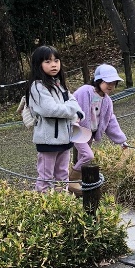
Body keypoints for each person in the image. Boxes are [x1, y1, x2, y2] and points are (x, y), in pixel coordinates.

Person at [26, 45, 84, 193]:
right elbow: (51, 110)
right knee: (45, 177)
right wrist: (72, 110)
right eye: (48, 61)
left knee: (63, 175)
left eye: (56, 60)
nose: (54, 65)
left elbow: (74, 103)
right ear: (38, 64)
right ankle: (42, 202)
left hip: (65, 138)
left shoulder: (58, 84)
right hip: (48, 141)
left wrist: (74, 111)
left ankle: (62, 202)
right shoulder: (38, 86)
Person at [70, 63, 128, 179]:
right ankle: (71, 179)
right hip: (77, 131)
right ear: (98, 80)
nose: (111, 86)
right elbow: (72, 104)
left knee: (83, 158)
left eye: (114, 83)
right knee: (88, 156)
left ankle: (80, 182)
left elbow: (110, 121)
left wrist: (121, 140)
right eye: (108, 82)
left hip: (89, 134)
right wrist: (74, 122)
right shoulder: (85, 91)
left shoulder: (107, 101)